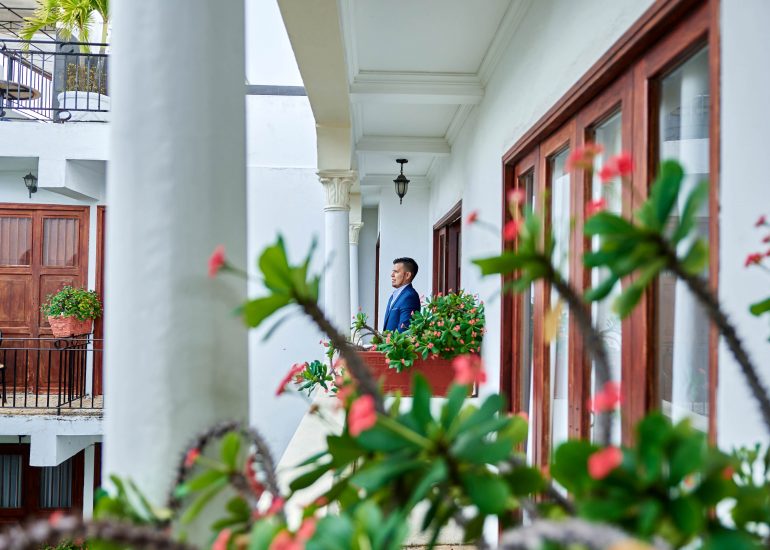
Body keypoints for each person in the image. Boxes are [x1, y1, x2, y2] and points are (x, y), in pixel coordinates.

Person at [383, 257, 421, 332]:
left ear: (407, 275)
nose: (392, 275)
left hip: (396, 343)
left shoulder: (410, 297)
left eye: (396, 272)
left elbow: (404, 331)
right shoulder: (394, 296)